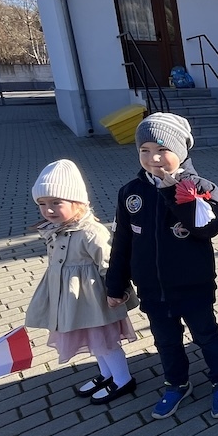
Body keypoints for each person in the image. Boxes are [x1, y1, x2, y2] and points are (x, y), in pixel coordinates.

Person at [105, 113, 218, 420]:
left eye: (162, 150)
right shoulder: (131, 192)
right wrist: (115, 283)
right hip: (152, 288)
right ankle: (176, 383)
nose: (153, 158)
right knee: (166, 341)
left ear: (182, 151)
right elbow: (122, 241)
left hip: (193, 285)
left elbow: (207, 229)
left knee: (207, 335)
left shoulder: (202, 188)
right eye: (145, 150)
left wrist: (170, 191)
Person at [27, 159, 138, 403]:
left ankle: (122, 379)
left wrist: (118, 291)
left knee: (105, 341)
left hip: (95, 301)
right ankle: (107, 374)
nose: (48, 210)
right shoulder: (55, 229)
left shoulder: (90, 232)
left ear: (77, 202)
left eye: (56, 203)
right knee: (93, 339)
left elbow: (109, 264)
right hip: (73, 301)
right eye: (42, 204)